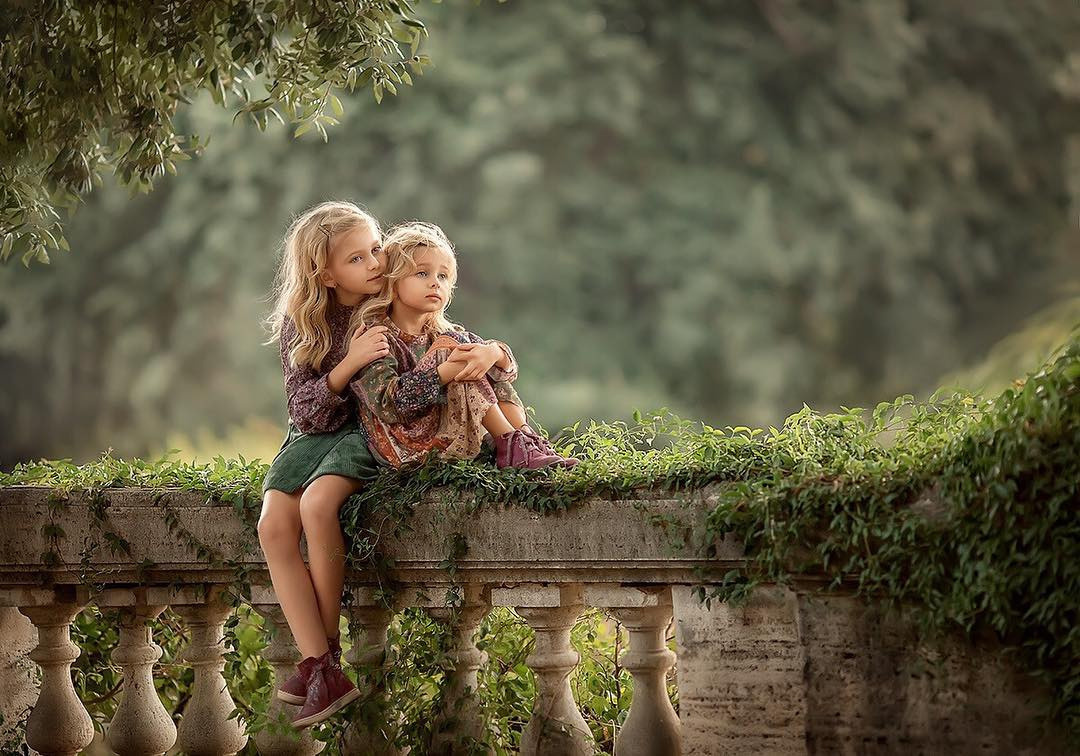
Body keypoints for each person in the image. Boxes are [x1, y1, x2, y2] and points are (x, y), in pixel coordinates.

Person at [257, 199, 394, 728]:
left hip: (362, 430)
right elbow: (305, 410)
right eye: (357, 258)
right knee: (273, 525)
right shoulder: (303, 321)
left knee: (317, 506)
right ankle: (321, 666)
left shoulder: (387, 304)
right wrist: (349, 362)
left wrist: (493, 353)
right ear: (326, 273)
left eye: (376, 249)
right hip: (312, 429)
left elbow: (443, 336)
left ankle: (324, 657)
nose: (375, 263)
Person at [352, 220, 578, 470]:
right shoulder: (377, 337)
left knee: (475, 352)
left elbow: (507, 373)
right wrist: (444, 372)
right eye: (422, 273)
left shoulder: (443, 334)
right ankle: (513, 446)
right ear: (393, 283)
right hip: (401, 446)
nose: (435, 282)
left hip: (443, 430)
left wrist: (493, 353)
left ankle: (523, 441)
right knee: (458, 350)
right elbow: (390, 406)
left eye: (443, 276)